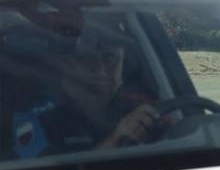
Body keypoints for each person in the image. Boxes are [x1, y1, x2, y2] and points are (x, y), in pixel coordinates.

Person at [9, 25, 161, 159]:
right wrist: (116, 139)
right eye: (88, 60)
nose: (102, 71)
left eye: (111, 58)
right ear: (65, 65)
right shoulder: (34, 116)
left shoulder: (140, 105)